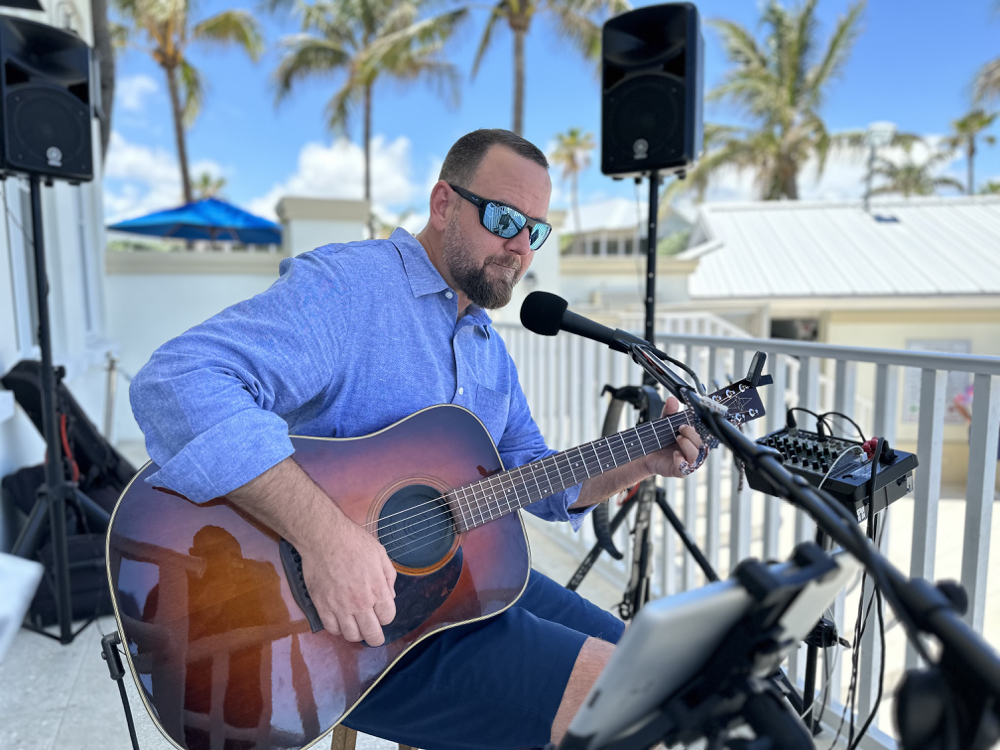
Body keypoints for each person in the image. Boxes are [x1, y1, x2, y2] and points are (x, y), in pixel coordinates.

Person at [130, 128, 706, 750]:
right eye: (504, 219)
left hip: (456, 586)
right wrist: (327, 538)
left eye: (535, 231)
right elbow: (177, 381)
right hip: (338, 627)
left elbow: (539, 479)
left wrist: (641, 459)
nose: (519, 247)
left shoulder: (488, 350)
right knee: (618, 692)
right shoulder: (351, 287)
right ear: (443, 204)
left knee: (650, 659)